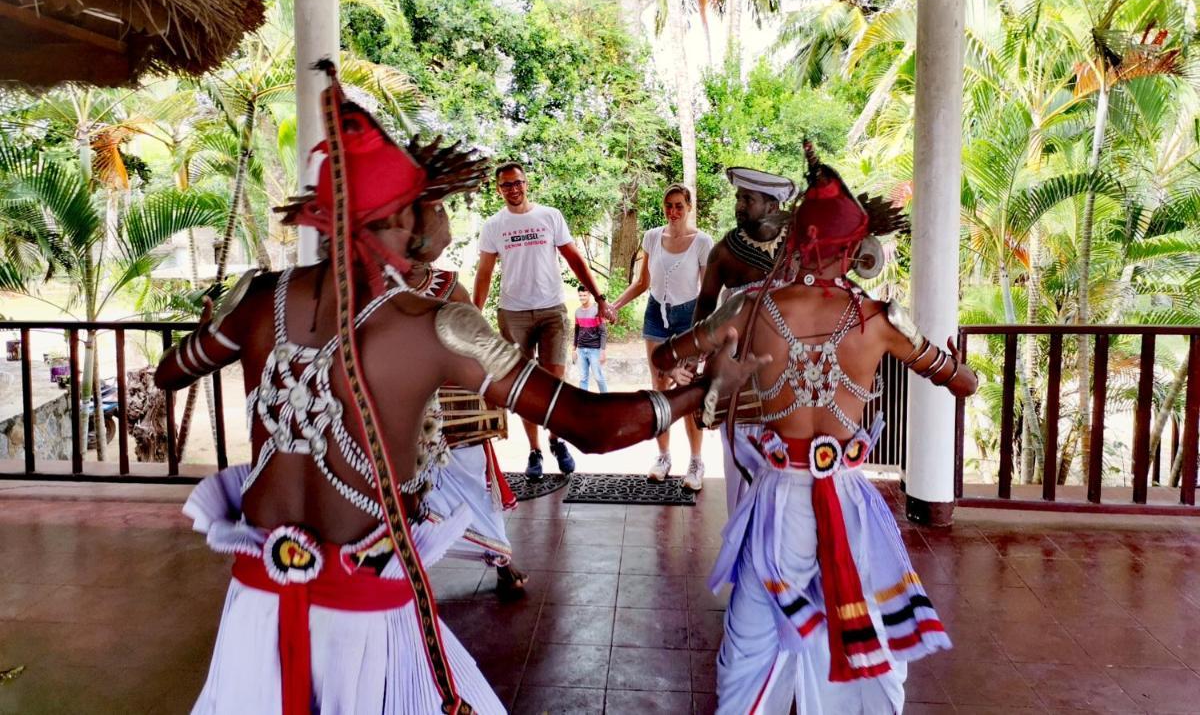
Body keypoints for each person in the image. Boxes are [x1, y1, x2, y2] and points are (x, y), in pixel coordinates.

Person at [157, 67, 766, 714]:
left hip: (256, 604)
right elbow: (588, 425)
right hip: (362, 614)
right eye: (427, 210)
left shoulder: (256, 300)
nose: (439, 229)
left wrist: (212, 321)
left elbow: (173, 371)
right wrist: (699, 394)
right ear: (397, 219)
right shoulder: (435, 325)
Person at [651, 143, 977, 715]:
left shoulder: (749, 308)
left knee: (750, 636)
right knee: (868, 630)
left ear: (798, 237)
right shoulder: (881, 320)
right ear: (854, 250)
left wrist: (703, 362)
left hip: (776, 499)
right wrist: (953, 366)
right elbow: (961, 382)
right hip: (848, 500)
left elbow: (670, 357)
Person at [403, 188, 527, 600]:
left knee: (473, 480)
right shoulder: (377, 289)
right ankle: (407, 568)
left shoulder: (447, 286)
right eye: (438, 217)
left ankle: (501, 558)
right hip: (400, 415)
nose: (448, 232)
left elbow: (482, 344)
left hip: (454, 414)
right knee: (403, 492)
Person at [472, 162, 615, 479]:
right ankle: (535, 450)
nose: (513, 189)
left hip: (551, 310)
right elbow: (484, 273)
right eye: (506, 185)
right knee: (524, 387)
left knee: (555, 383)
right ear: (499, 190)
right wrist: (473, 313)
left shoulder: (549, 216)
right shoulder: (494, 226)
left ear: (527, 183)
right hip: (513, 313)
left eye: (517, 183)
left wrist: (600, 298)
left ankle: (556, 440)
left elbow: (574, 259)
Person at [692, 167, 795, 512]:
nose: (738, 205)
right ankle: (742, 546)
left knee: (789, 467)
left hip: (791, 376)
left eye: (746, 199)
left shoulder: (800, 247)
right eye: (738, 197)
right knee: (740, 462)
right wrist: (694, 363)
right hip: (739, 377)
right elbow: (705, 308)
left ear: (771, 206)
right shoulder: (723, 252)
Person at [611, 183, 714, 489]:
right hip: (657, 314)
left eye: (679, 205)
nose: (673, 211)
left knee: (688, 390)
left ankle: (696, 462)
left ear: (689, 207)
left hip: (689, 319)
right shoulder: (652, 237)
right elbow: (643, 282)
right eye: (668, 205)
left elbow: (707, 293)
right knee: (659, 386)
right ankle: (664, 457)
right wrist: (615, 304)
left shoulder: (702, 242)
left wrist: (705, 335)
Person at [572, 285, 608, 392]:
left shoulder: (597, 311)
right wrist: (574, 349)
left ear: (589, 295)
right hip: (581, 349)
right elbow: (576, 331)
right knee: (583, 378)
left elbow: (603, 332)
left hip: (594, 350)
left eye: (584, 295)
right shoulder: (577, 312)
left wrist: (603, 351)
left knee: (598, 377)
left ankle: (606, 400)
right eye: (580, 295)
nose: (582, 297)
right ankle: (583, 403)